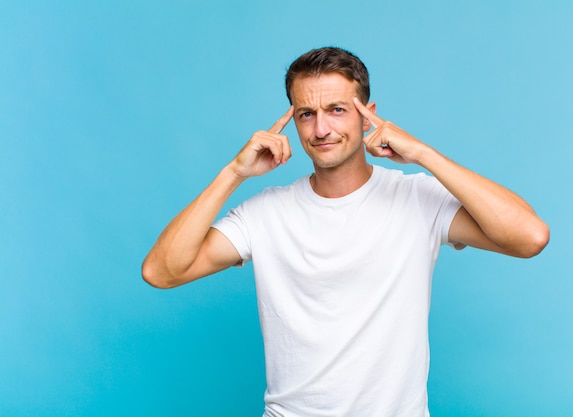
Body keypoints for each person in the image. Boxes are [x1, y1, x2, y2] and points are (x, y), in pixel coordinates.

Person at [142, 47, 549, 417]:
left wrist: (423, 154)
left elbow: (529, 237)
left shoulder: (417, 198)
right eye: (306, 114)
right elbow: (162, 272)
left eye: (337, 109)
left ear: (366, 112)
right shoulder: (265, 212)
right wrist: (233, 174)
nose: (320, 130)